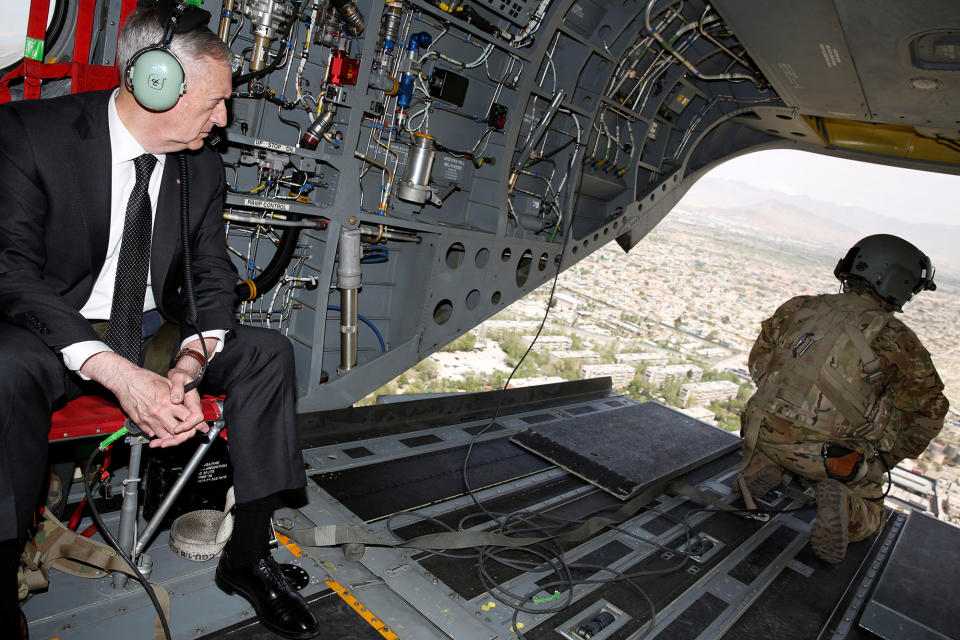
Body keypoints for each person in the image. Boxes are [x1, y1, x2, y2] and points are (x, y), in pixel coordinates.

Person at [0, 6, 320, 639]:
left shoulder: (197, 164)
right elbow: (11, 274)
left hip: (149, 330)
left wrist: (191, 361)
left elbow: (210, 274)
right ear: (155, 86)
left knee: (268, 353)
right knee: (3, 368)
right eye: (216, 102)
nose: (224, 119)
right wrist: (115, 373)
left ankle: (249, 555)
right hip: (56, 332)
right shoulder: (29, 134)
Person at [737, 234, 949, 564]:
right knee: (872, 504)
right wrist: (881, 460)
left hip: (760, 433)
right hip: (831, 460)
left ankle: (762, 466)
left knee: (780, 434)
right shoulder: (897, 339)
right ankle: (849, 505)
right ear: (897, 282)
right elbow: (929, 414)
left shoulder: (799, 307)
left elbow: (759, 365)